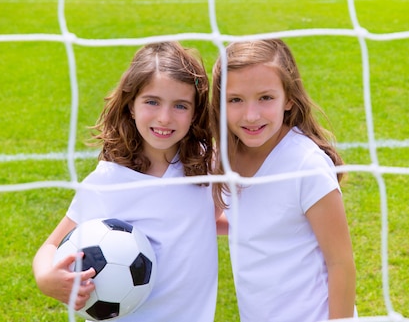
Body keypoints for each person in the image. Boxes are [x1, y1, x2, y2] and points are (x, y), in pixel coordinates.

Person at [33, 41, 218, 322]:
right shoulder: (106, 182)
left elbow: (206, 219)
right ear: (131, 104)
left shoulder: (206, 165)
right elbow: (50, 246)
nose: (164, 118)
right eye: (152, 101)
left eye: (180, 105)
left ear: (195, 113)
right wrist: (46, 277)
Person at [211, 38, 357, 321]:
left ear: (289, 97)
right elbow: (223, 220)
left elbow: (341, 264)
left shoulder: (307, 165)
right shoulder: (224, 157)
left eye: (265, 98)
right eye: (235, 100)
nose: (251, 116)